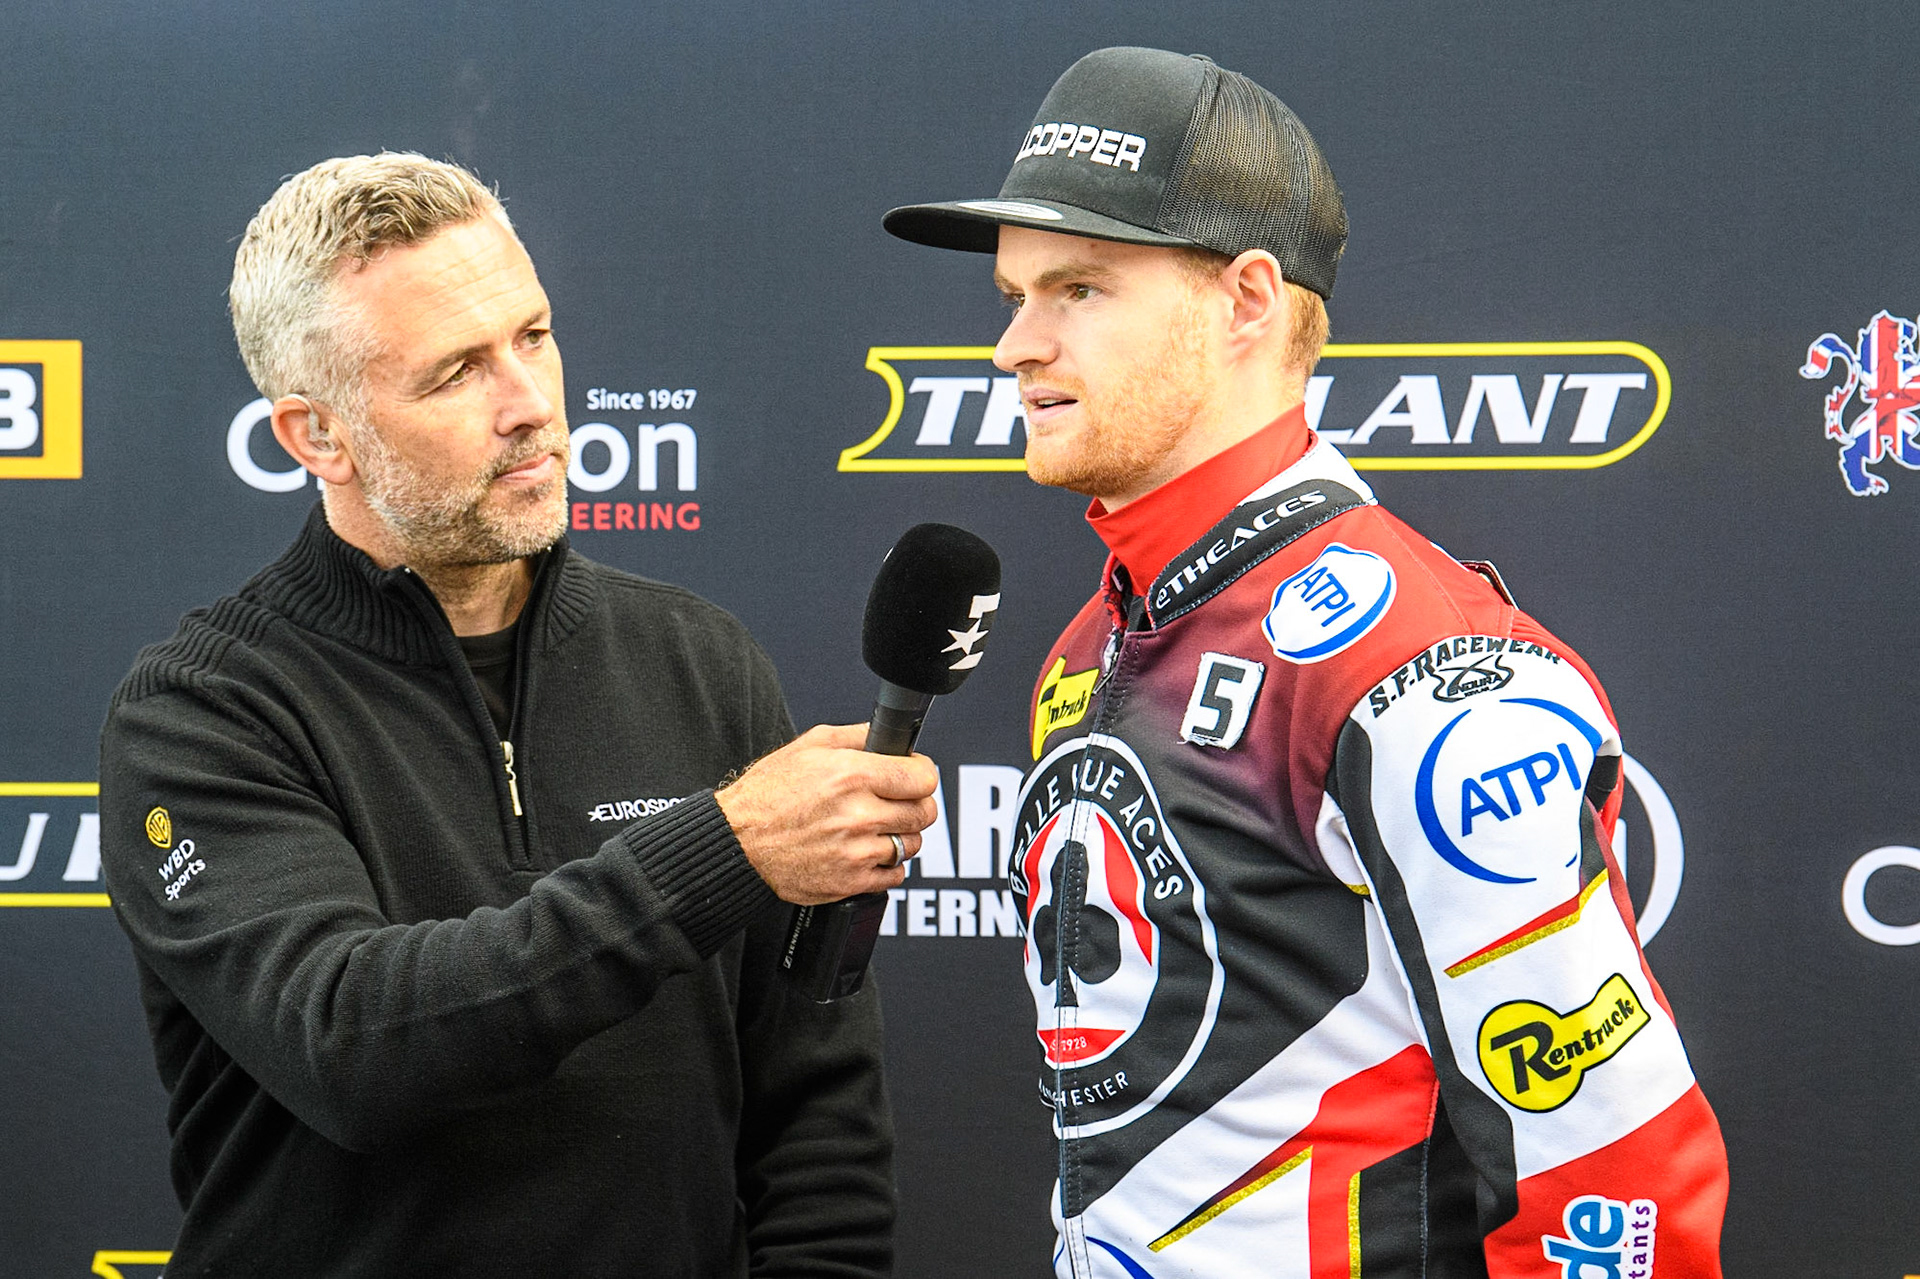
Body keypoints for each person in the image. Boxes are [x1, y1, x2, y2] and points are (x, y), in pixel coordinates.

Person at [884, 47, 1728, 1277]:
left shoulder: (1423, 670)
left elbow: (1618, 1165)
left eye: (1077, 289)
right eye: (1014, 296)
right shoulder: (1090, 644)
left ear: (1247, 302)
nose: (1017, 344)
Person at [100, 152, 933, 1277]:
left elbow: (816, 1113)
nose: (528, 405)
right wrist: (720, 850)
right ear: (317, 435)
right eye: (454, 374)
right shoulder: (203, 710)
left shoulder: (701, 657)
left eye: (533, 338)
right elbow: (346, 1040)